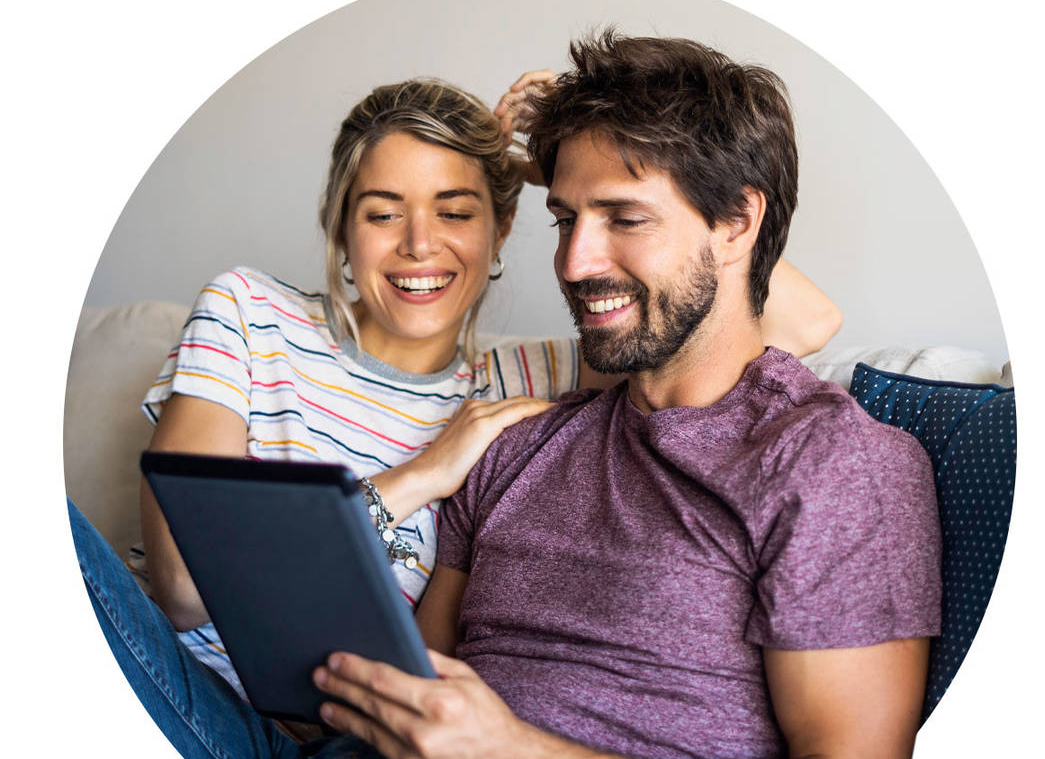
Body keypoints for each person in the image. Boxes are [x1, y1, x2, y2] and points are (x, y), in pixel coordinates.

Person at [67, 34, 925, 759]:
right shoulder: (515, 439)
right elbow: (406, 664)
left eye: (622, 217)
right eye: (566, 218)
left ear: (739, 222)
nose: (575, 262)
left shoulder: (830, 462)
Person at [134, 75, 841, 695]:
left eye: (456, 212)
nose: (418, 244)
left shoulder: (528, 383)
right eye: (382, 212)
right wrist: (422, 476)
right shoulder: (250, 314)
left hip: (343, 744)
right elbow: (184, 589)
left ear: (502, 228)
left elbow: (807, 319)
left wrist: (567, 170)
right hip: (183, 688)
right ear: (341, 227)